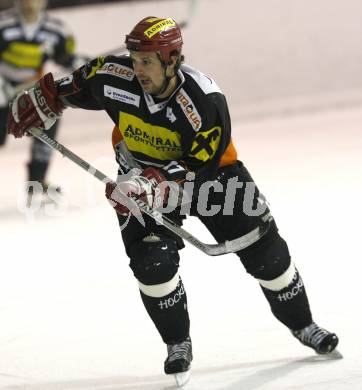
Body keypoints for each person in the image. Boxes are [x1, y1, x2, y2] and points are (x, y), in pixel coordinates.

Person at [6, 16, 339, 385]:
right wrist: (44, 99)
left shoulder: (204, 100)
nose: (138, 69)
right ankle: (178, 344)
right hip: (138, 178)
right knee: (152, 265)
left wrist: (158, 183)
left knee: (268, 253)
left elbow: (202, 165)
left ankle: (304, 324)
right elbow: (71, 88)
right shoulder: (112, 76)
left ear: (173, 57)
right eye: (134, 59)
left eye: (146, 61)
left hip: (213, 179)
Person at [0, 0, 86, 199]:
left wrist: (80, 63)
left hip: (27, 91)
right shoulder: (3, 25)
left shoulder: (57, 31)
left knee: (49, 117)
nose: (30, 3)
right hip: (2, 91)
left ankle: (36, 181)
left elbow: (64, 57)